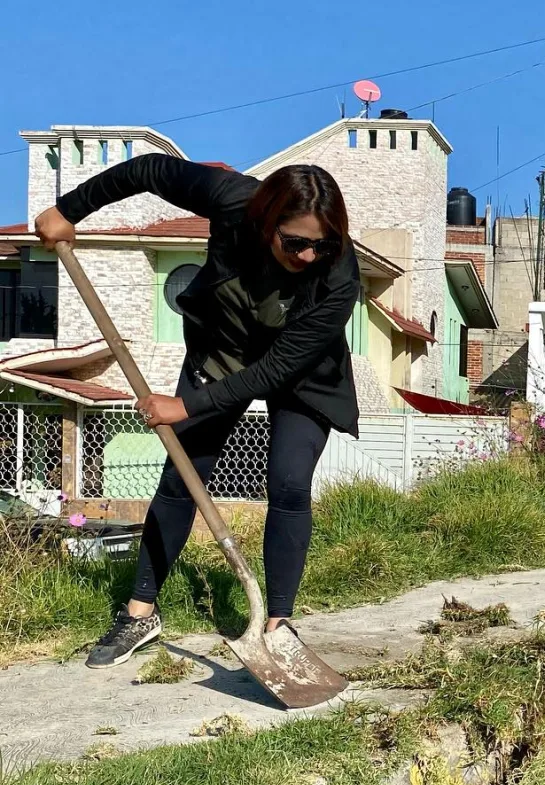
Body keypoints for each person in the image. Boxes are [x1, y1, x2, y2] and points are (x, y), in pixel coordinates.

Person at [35, 155, 360, 669]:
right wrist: (69, 209)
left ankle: (277, 625)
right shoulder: (233, 198)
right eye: (295, 242)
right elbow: (147, 171)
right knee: (182, 478)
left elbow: (278, 368)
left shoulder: (339, 275)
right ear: (265, 219)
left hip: (301, 373)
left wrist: (184, 405)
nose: (308, 255)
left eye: (322, 244)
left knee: (290, 482)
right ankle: (141, 611)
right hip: (222, 349)